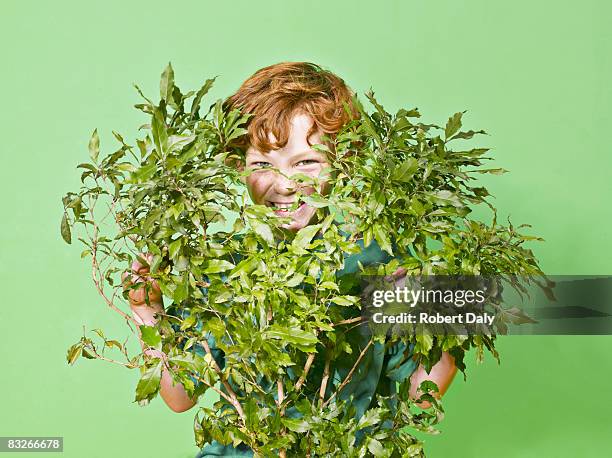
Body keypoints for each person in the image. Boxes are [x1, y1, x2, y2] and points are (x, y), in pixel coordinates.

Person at [125, 62, 458, 456]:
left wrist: (436, 321)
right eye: (262, 165)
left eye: (306, 162)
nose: (285, 184)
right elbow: (180, 398)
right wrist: (148, 312)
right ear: (239, 166)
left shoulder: (377, 264)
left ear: (343, 160)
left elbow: (423, 393)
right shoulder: (222, 266)